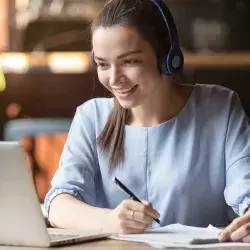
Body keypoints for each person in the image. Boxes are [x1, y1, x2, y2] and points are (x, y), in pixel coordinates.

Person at [45, 0, 250, 242]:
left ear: (166, 57)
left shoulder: (220, 107)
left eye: (130, 61)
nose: (114, 79)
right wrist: (110, 221)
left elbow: (245, 190)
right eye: (102, 64)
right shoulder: (91, 117)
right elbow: (58, 203)